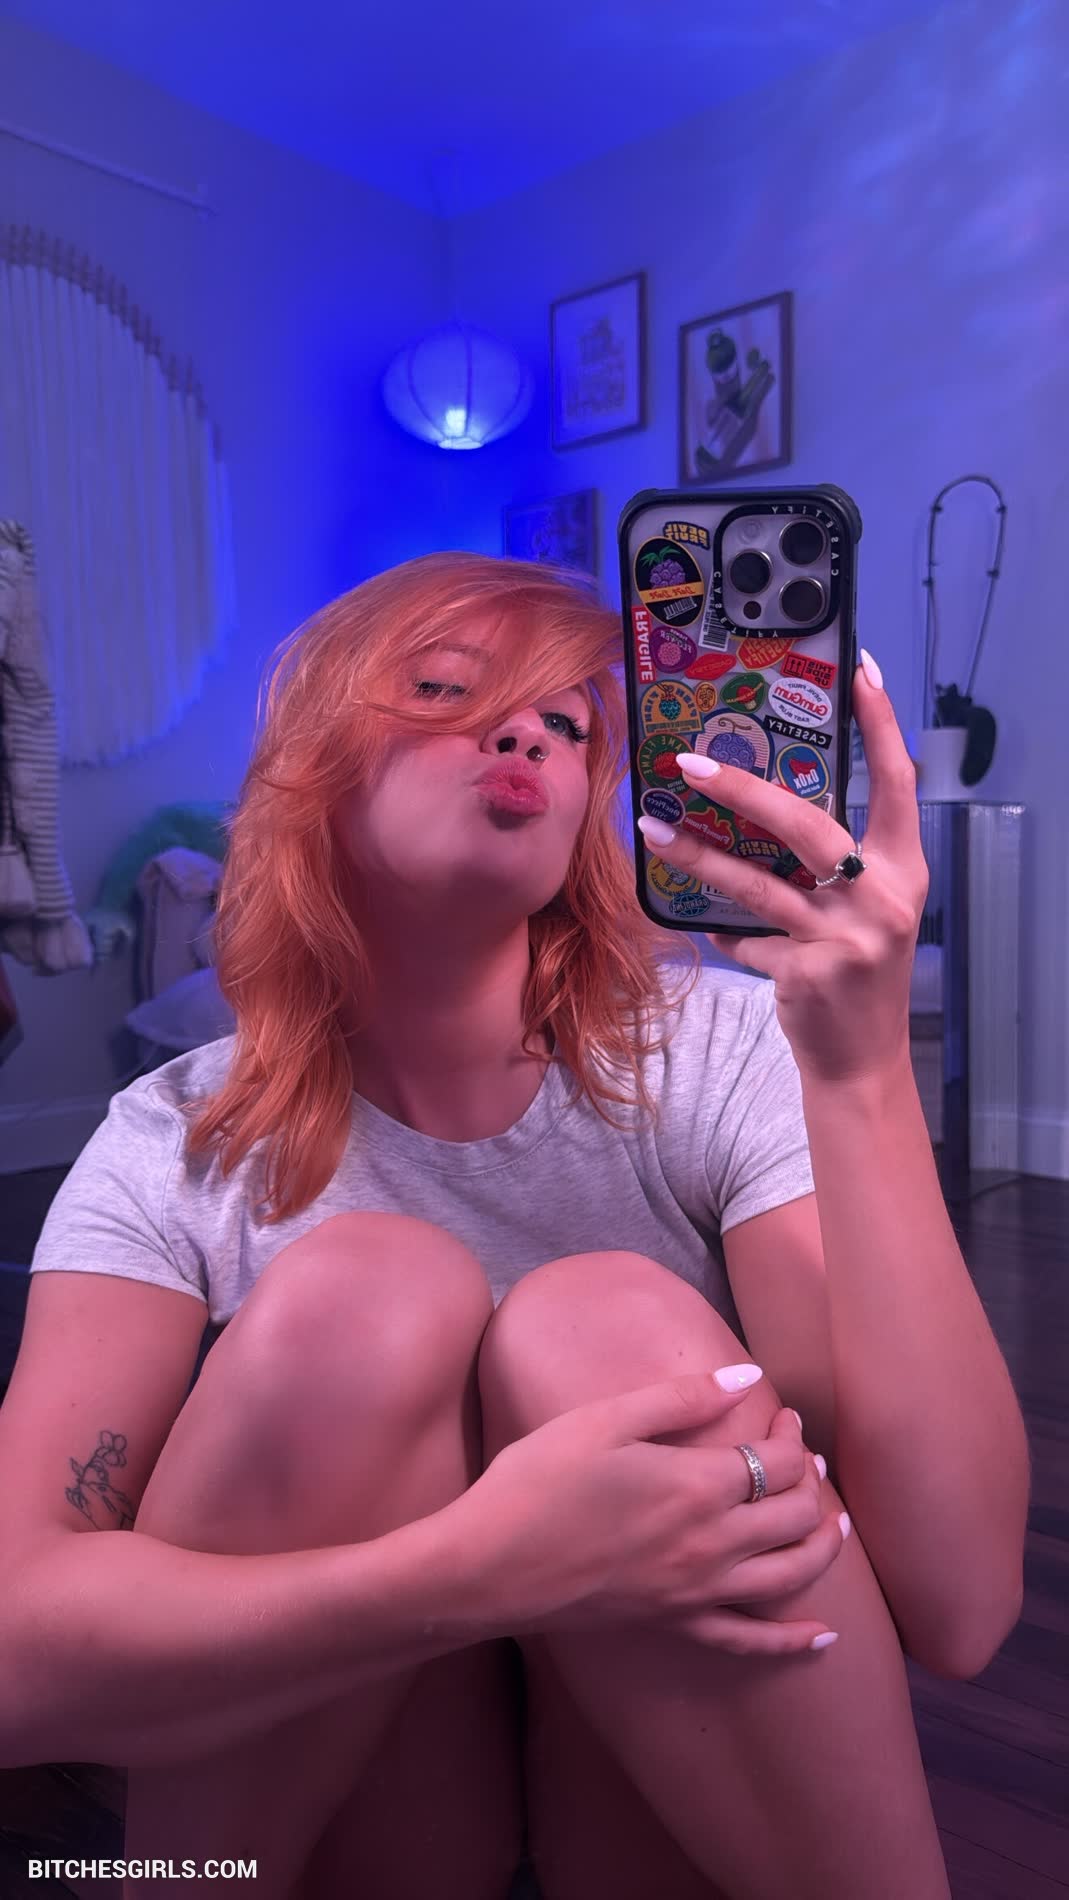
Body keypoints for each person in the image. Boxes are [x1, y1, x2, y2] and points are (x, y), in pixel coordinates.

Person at [2, 553, 1024, 1900]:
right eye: (444, 690)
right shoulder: (174, 1138)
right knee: (361, 1297)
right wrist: (476, 1574)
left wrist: (863, 1068)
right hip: (361, 1793)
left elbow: (959, 1606)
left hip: (662, 1786)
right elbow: (16, 1664)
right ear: (314, 764)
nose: (526, 734)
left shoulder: (720, 1052)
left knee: (602, 1322)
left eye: (567, 723)